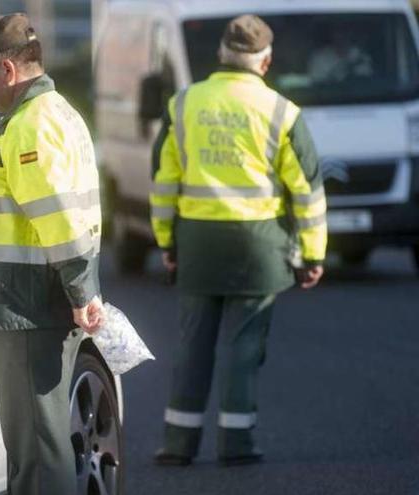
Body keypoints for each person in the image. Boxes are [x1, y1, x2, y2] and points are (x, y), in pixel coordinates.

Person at [0, 13, 103, 494]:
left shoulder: (28, 126)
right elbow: (37, 207)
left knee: (36, 453)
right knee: (40, 445)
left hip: (29, 307)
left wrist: (80, 289)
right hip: (40, 301)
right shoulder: (58, 112)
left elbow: (56, 216)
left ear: (6, 71)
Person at [149, 14, 327, 467]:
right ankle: (237, 443)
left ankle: (178, 443)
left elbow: (164, 182)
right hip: (258, 244)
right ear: (265, 62)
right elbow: (307, 191)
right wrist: (312, 252)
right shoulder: (282, 113)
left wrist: (167, 243)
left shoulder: (183, 104)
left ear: (220, 56)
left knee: (193, 345)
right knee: (244, 346)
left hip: (197, 242)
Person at [308, 30, 373, 83]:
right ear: (332, 35)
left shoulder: (361, 57)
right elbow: (317, 85)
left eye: (345, 31)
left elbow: (367, 83)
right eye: (338, 31)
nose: (342, 36)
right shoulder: (319, 58)